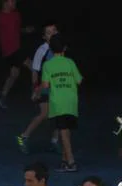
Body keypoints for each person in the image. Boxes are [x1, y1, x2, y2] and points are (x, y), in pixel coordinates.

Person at [39, 34, 80, 173]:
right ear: (65, 48)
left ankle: (71, 162)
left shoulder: (48, 65)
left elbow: (45, 85)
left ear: (50, 48)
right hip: (71, 102)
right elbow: (79, 80)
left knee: (63, 133)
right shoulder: (70, 62)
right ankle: (64, 161)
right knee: (66, 133)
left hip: (58, 103)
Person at [16, 22, 60, 151]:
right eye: (48, 32)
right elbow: (35, 71)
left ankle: (55, 140)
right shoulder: (42, 50)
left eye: (54, 31)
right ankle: (23, 137)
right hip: (43, 86)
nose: (52, 34)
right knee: (44, 113)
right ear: (44, 37)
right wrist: (36, 89)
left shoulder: (61, 48)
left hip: (56, 87)